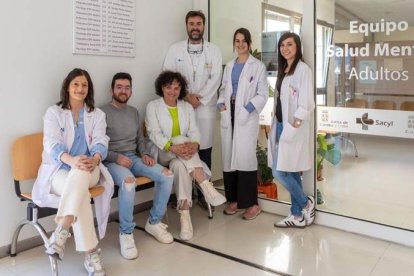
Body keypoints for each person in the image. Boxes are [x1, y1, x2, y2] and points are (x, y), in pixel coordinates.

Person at [32, 68, 113, 276]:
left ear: (89, 89)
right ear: (67, 87)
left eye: (84, 85)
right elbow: (51, 143)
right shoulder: (53, 113)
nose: (80, 88)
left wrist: (95, 159)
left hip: (90, 169)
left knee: (80, 175)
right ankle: (91, 254)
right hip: (60, 169)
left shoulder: (98, 114)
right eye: (76, 84)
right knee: (81, 194)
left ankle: (62, 230)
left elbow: (101, 140)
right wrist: (71, 160)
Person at [100, 72, 174, 260]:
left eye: (127, 87)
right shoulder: (101, 113)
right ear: (111, 90)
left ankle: (154, 222)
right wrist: (116, 157)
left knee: (166, 175)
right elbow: (96, 147)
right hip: (111, 161)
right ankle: (126, 233)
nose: (123, 91)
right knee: (129, 182)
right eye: (119, 87)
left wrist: (146, 154)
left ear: (131, 91)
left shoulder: (134, 112)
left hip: (134, 157)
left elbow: (140, 140)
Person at [145, 71, 226, 241]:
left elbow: (194, 131)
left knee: (179, 166)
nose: (172, 91)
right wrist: (173, 147)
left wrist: (195, 144)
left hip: (181, 157)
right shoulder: (153, 106)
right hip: (162, 152)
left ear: (181, 89)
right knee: (181, 139)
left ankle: (185, 217)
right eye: (168, 87)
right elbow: (154, 133)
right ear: (162, 87)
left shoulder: (186, 107)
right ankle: (205, 185)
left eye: (176, 87)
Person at [163, 10, 222, 209]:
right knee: (183, 148)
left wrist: (200, 98)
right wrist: (186, 96)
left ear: (203, 26)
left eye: (198, 23)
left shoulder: (214, 50)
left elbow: (216, 77)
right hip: (181, 105)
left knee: (203, 148)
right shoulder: (175, 49)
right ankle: (186, 194)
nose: (195, 27)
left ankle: (205, 195)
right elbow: (167, 75)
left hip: (204, 108)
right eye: (191, 24)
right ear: (187, 26)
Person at [217, 28, 268, 220]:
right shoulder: (229, 65)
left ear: (249, 43)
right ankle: (235, 200)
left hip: (245, 114)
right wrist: (221, 104)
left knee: (245, 158)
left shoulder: (258, 66)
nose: (240, 44)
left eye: (243, 41)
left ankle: (252, 204)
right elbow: (223, 89)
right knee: (229, 156)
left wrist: (247, 109)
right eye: (237, 41)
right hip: (228, 112)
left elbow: (263, 94)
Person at [270, 32, 316, 228]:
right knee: (291, 170)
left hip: (292, 127)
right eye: (282, 45)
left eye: (290, 44)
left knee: (279, 172)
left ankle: (306, 203)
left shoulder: (303, 69)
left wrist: (293, 127)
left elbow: (306, 103)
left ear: (297, 47)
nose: (285, 48)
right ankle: (296, 215)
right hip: (281, 124)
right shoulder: (285, 69)